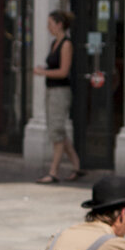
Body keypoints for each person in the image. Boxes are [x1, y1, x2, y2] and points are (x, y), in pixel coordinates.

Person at [32, 10, 84, 183]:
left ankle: (53, 172)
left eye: (50, 24)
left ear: (59, 24)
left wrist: (42, 72)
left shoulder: (66, 44)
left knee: (56, 131)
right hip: (51, 90)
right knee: (58, 130)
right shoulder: (55, 43)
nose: (48, 28)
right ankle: (77, 165)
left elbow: (63, 71)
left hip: (60, 92)